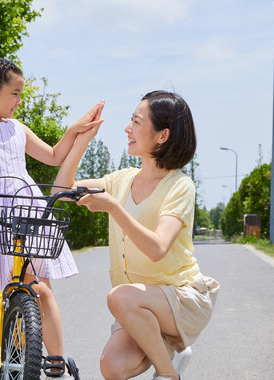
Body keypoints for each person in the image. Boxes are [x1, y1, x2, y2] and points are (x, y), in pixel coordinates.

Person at [0, 56, 104, 380]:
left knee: (40, 289)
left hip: (25, 207)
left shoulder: (17, 128)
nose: (18, 101)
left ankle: (55, 362)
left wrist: (75, 130)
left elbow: (55, 155)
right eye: (14, 94)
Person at [53, 90, 219, 380]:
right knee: (112, 367)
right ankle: (169, 348)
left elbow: (158, 248)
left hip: (180, 298)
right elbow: (60, 192)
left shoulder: (179, 186)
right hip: (137, 304)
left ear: (162, 135)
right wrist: (82, 140)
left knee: (120, 296)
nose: (127, 128)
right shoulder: (120, 180)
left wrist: (115, 209)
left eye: (136, 121)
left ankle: (168, 374)